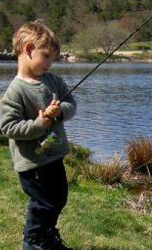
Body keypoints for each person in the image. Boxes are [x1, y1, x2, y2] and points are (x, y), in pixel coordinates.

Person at [0, 20, 76, 250]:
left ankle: (47, 235)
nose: (50, 64)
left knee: (58, 198)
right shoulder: (15, 92)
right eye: (46, 56)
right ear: (29, 49)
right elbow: (8, 127)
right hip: (33, 163)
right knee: (42, 204)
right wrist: (40, 123)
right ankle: (33, 242)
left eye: (53, 58)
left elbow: (71, 103)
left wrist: (60, 111)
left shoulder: (53, 81)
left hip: (55, 156)